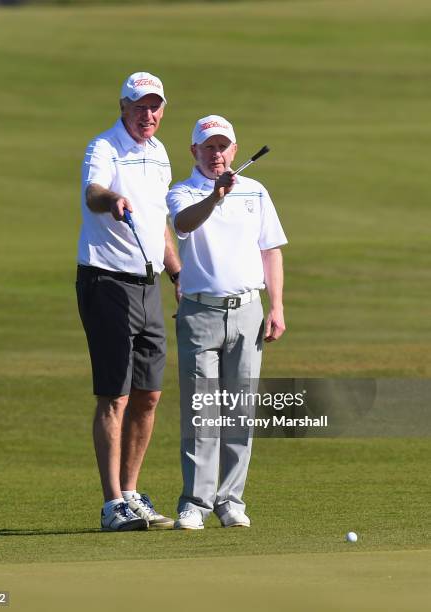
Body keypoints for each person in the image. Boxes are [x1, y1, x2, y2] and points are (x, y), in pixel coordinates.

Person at [166, 115, 287, 529]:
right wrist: (215, 197)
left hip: (249, 310)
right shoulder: (182, 192)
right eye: (208, 147)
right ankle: (195, 504)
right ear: (193, 152)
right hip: (200, 312)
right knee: (202, 411)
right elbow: (183, 225)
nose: (216, 154)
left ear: (234, 150)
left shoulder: (255, 191)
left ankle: (231, 500)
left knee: (240, 410)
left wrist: (277, 307)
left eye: (223, 146)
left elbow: (271, 251)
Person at [76, 72, 181, 532]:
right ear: (123, 106)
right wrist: (112, 198)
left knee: (149, 394)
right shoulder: (104, 147)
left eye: (155, 106)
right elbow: (92, 193)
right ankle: (111, 503)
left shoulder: (159, 155)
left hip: (147, 283)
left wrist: (177, 271)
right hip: (106, 280)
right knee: (114, 395)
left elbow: (160, 225)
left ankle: (132, 492)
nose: (148, 115)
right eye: (140, 106)